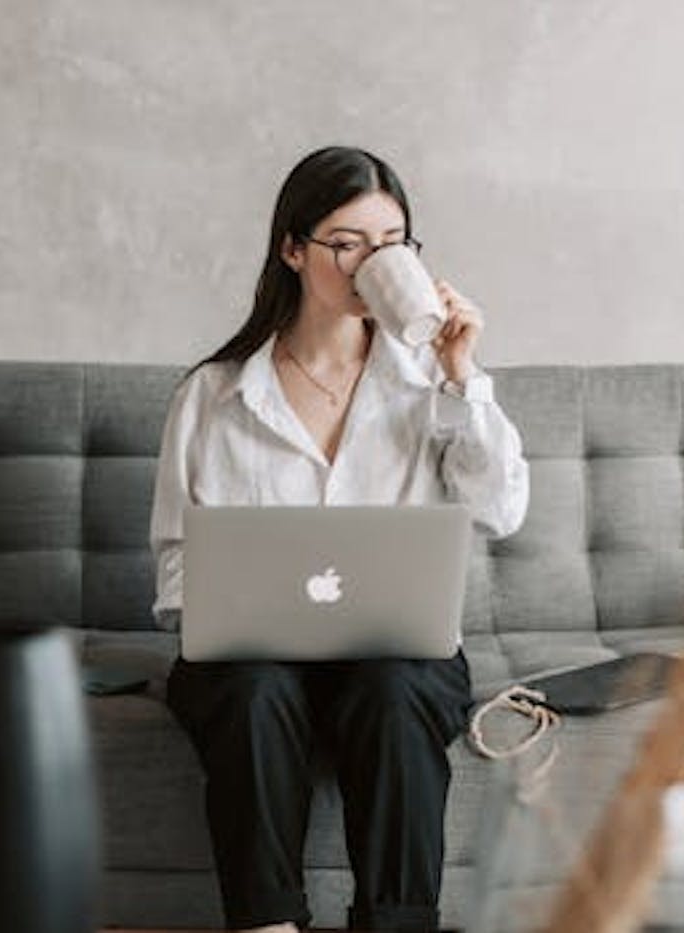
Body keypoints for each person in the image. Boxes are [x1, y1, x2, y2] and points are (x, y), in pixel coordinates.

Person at [148, 145, 530, 932]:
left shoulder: (430, 383)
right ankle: (267, 924)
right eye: (347, 243)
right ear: (293, 249)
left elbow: (500, 511)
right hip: (252, 662)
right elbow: (177, 566)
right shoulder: (213, 394)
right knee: (253, 691)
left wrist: (464, 374)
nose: (371, 263)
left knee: (397, 691)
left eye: (392, 243)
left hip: (393, 654)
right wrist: (227, 611)